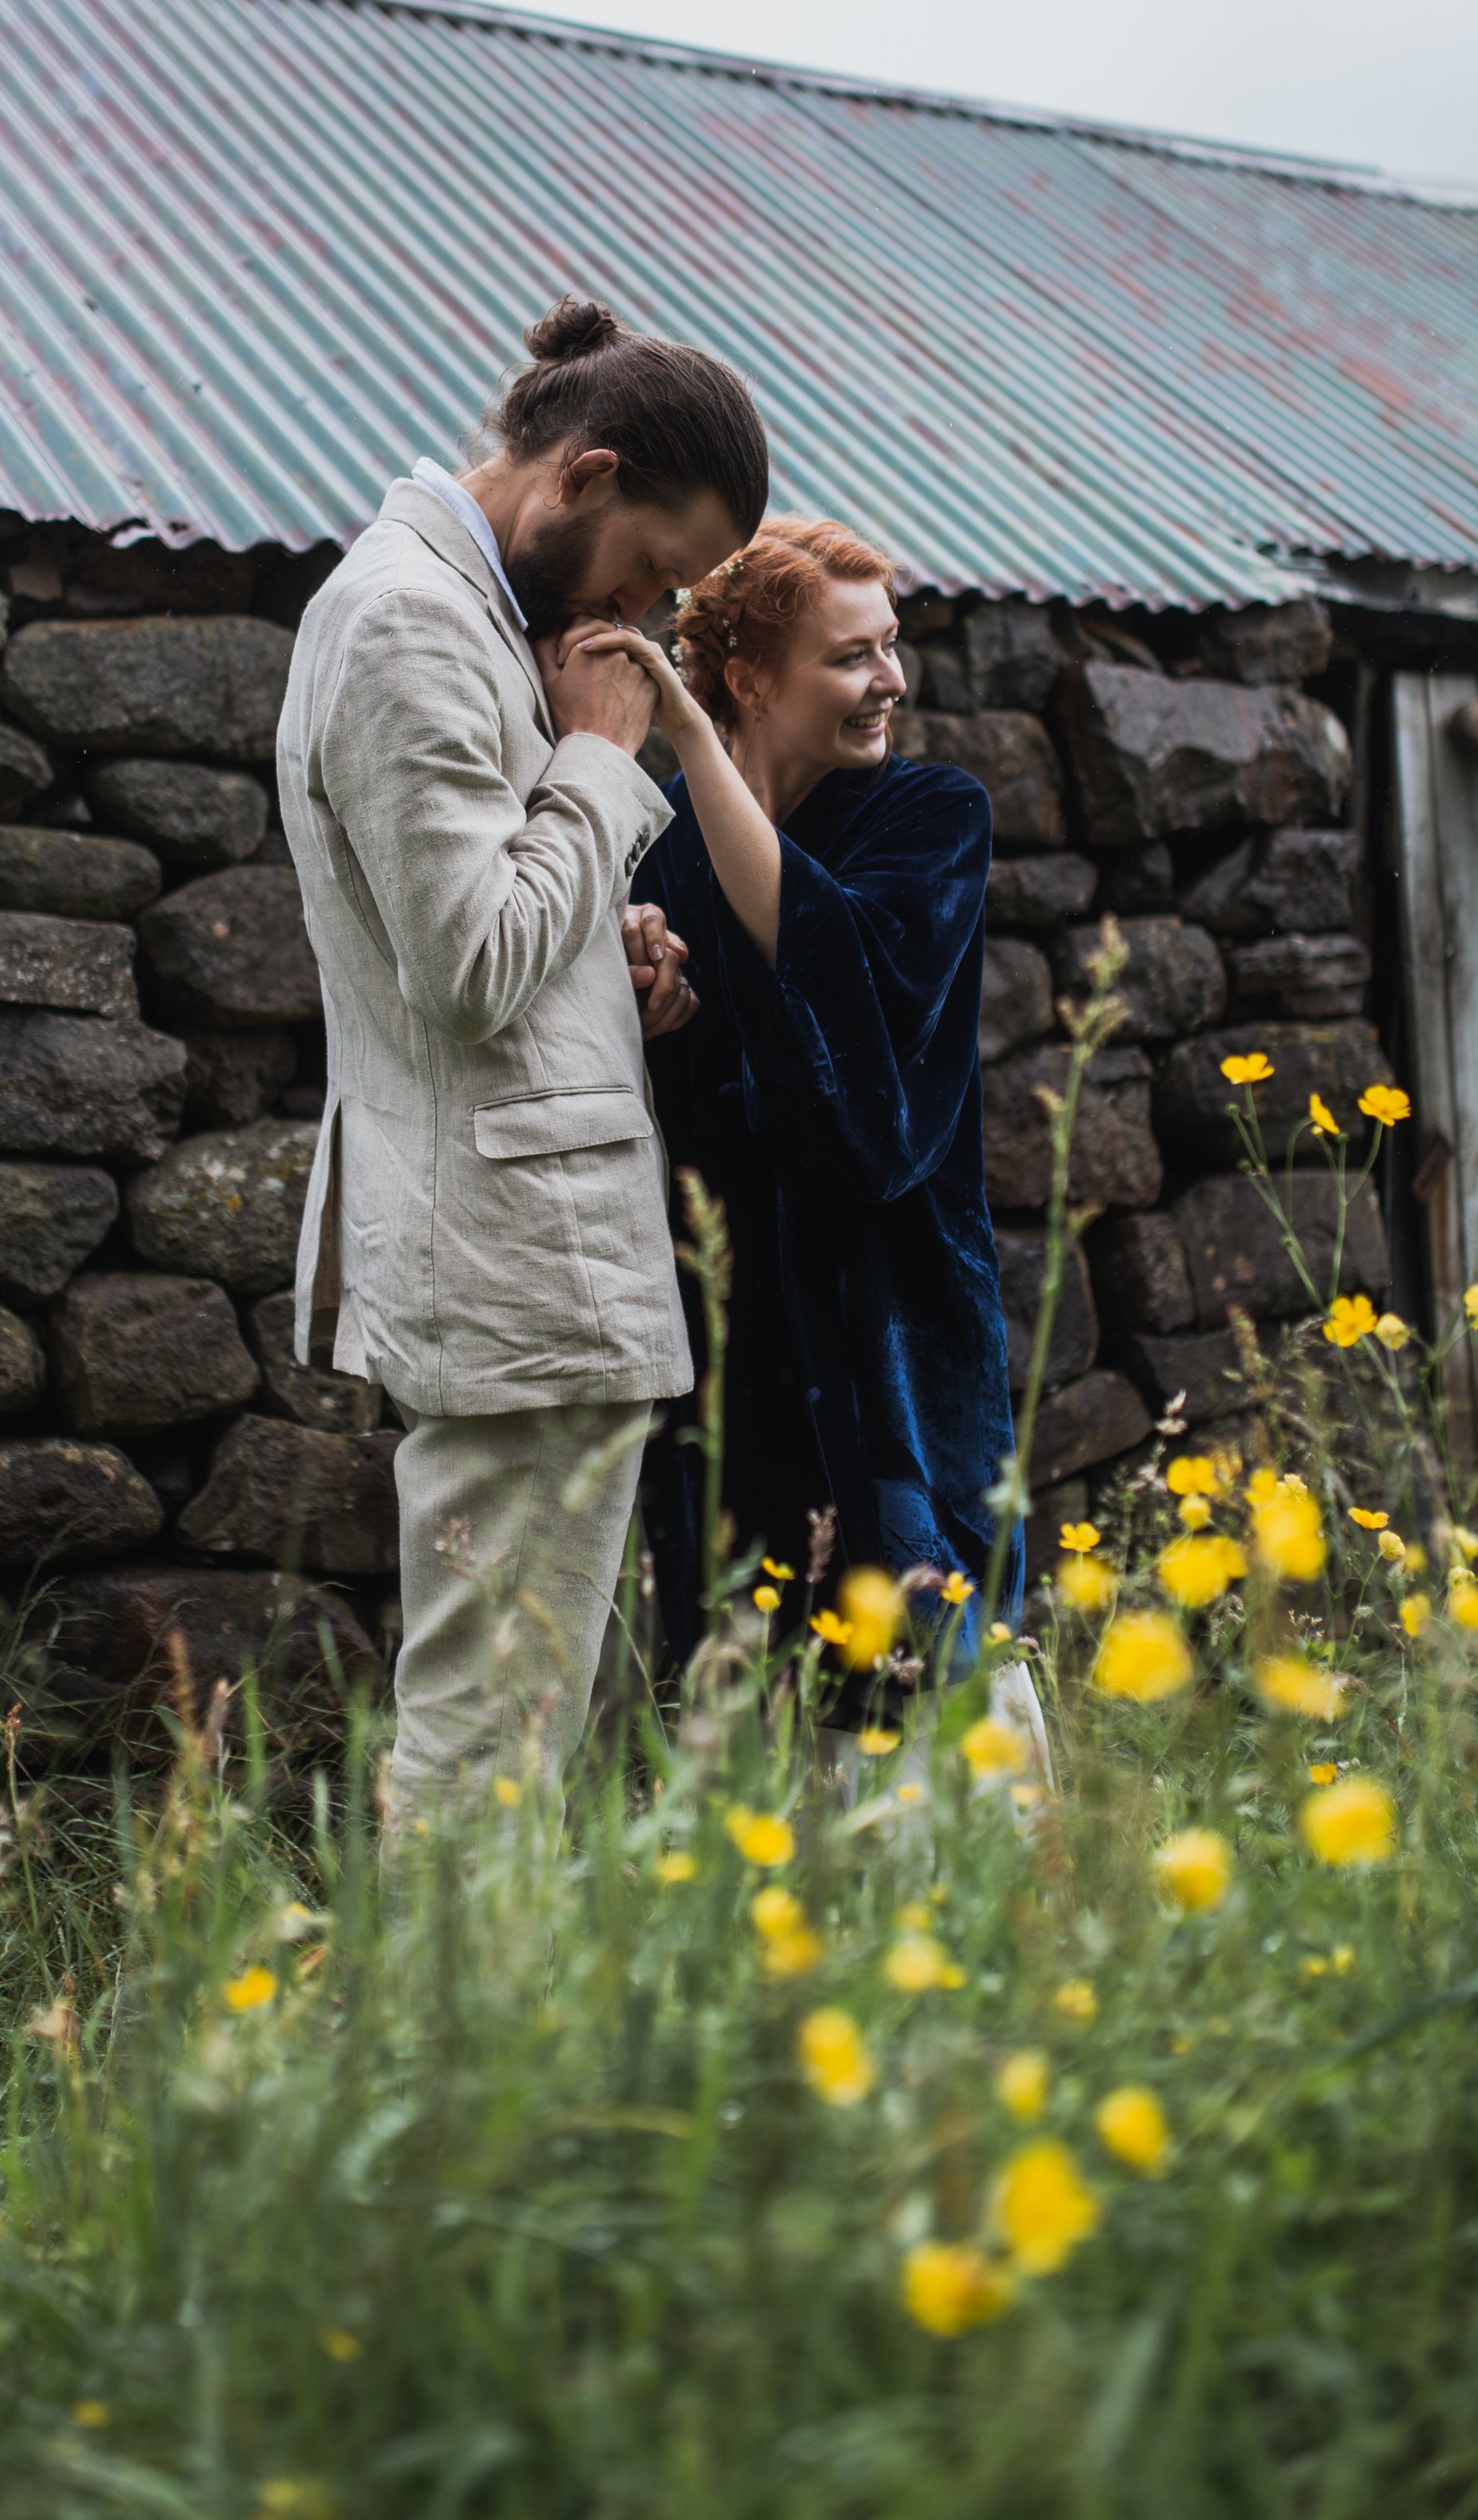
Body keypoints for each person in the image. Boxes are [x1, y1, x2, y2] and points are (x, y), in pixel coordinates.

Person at [275, 297, 767, 1819]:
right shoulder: (410, 618)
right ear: (586, 472)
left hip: (535, 1262)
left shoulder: (482, 612)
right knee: (486, 1750)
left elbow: (489, 930)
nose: (656, 614)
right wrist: (608, 761)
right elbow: (475, 964)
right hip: (516, 1269)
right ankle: (435, 2057)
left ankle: (488, 2049)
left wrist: (610, 964)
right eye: (656, 569)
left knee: (524, 1736)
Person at [567, 516, 1020, 1692]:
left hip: (890, 1329)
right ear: (751, 678)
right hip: (726, 1336)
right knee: (738, 1673)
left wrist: (684, 735)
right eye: (853, 655)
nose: (892, 681)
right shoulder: (654, 860)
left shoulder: (932, 818)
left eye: (892, 645)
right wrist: (629, 966)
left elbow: (850, 1005)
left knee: (922, 1674)